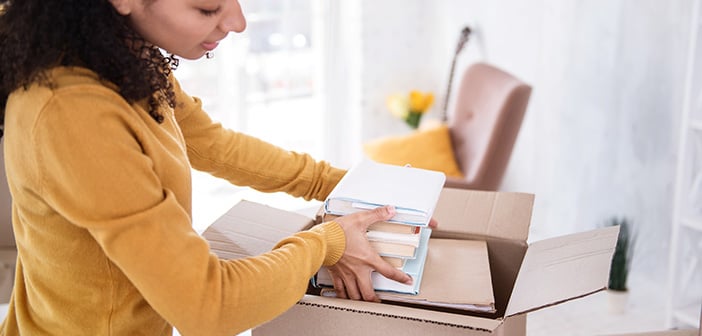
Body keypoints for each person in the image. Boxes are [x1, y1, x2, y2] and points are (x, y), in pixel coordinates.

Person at [0, 1, 435, 335]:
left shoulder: (122, 59)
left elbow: (213, 145)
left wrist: (343, 185)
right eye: (207, 7)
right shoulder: (73, 115)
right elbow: (208, 306)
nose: (237, 21)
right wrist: (326, 243)